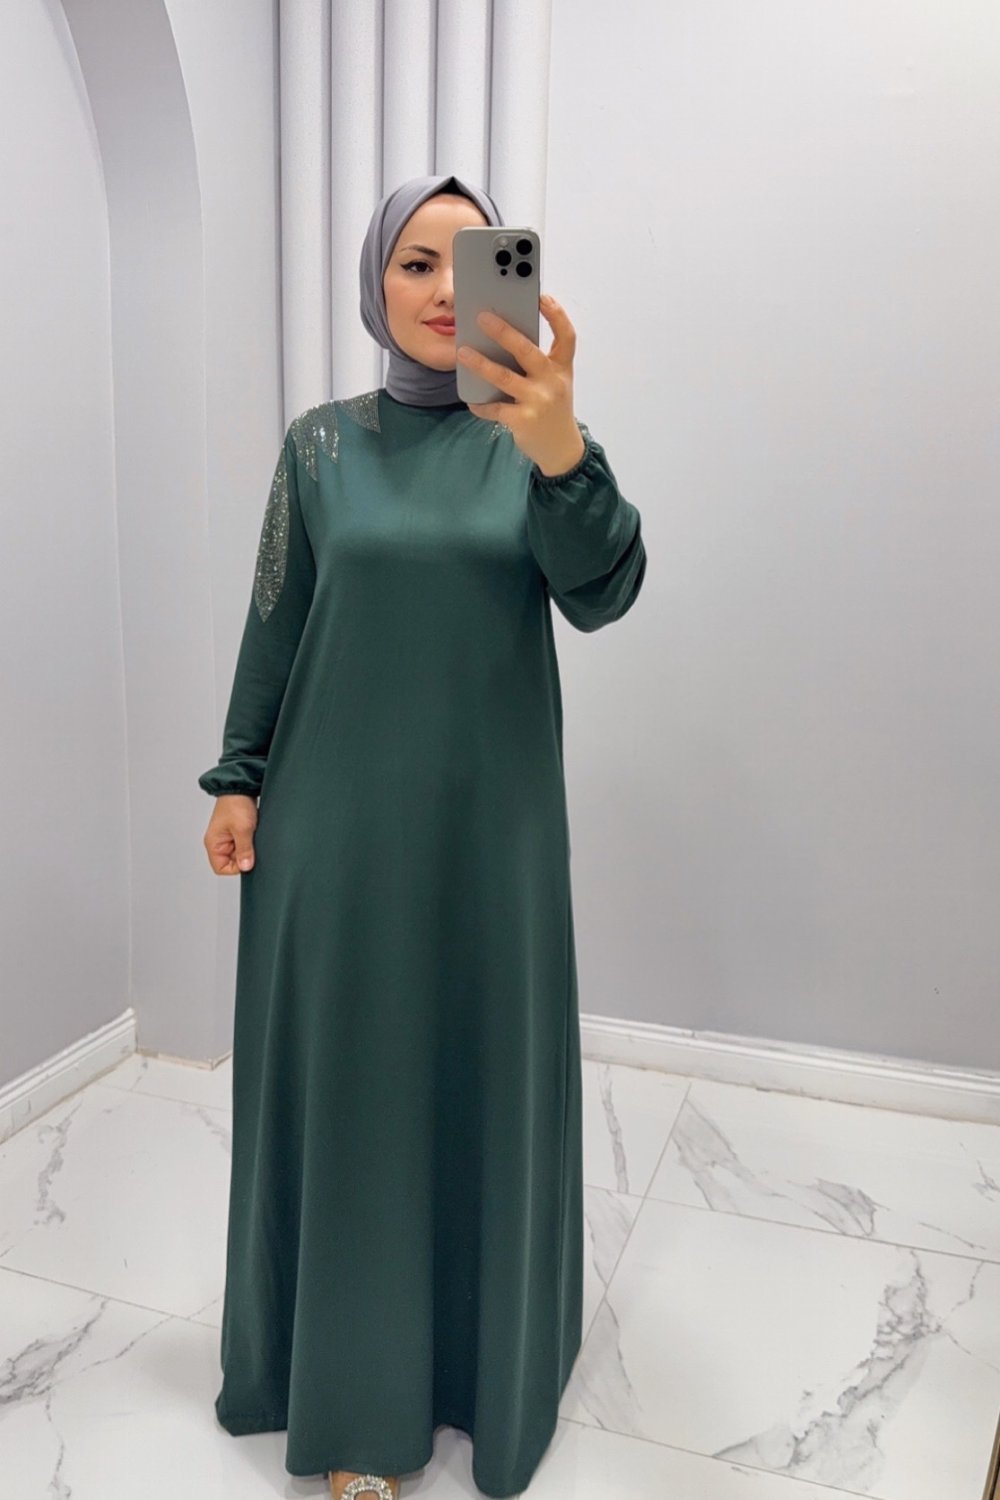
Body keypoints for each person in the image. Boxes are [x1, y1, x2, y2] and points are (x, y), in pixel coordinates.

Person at [198, 174, 647, 1500]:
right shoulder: (319, 449)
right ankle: (358, 1409)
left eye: (472, 258)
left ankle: (481, 1368)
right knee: (359, 1095)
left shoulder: (537, 441)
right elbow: (277, 621)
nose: (447, 289)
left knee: (476, 1076)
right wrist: (237, 779)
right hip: (332, 835)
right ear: (374, 285)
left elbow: (605, 591)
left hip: (489, 840)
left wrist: (563, 451)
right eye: (413, 263)